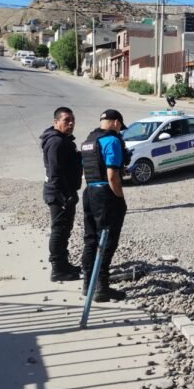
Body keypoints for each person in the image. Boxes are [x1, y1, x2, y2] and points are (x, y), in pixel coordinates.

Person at [80, 109, 129, 302]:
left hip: (89, 192)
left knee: (90, 238)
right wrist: (119, 197)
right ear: (116, 123)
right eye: (120, 127)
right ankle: (101, 288)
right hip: (105, 194)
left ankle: (88, 284)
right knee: (107, 240)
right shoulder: (112, 141)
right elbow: (112, 175)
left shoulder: (88, 141)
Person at [40, 107, 83, 282]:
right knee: (59, 231)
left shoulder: (62, 140)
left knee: (65, 230)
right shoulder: (56, 142)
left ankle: (64, 264)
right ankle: (57, 269)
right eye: (66, 120)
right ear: (56, 122)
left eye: (72, 120)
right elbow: (55, 173)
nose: (71, 123)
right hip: (59, 194)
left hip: (63, 192)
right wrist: (65, 197)